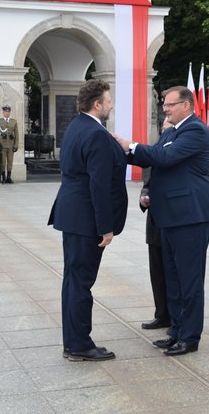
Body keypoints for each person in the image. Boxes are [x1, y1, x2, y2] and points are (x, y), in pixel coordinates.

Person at [113, 86, 209, 356]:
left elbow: (166, 157)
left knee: (189, 279)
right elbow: (155, 161)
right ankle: (176, 330)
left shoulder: (195, 130)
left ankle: (190, 337)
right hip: (171, 216)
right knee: (172, 277)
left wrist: (131, 145)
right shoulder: (171, 131)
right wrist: (122, 151)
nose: (165, 109)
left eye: (170, 105)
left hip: (190, 216)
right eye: (164, 104)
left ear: (186, 105)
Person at [48, 79, 128, 362]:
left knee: (73, 280)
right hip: (85, 220)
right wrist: (105, 227)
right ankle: (79, 344)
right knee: (80, 282)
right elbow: (99, 185)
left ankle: (74, 341)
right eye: (108, 101)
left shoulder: (76, 126)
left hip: (71, 214)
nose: (111, 105)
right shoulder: (96, 134)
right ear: (97, 105)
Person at [140, 118, 172, 331]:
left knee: (172, 273)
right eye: (164, 130)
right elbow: (148, 183)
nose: (167, 135)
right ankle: (161, 314)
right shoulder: (156, 152)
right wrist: (144, 195)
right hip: (155, 222)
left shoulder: (176, 154)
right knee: (157, 271)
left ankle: (174, 317)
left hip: (172, 221)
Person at [0, 105, 19, 184]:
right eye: (5, 112)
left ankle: (9, 177)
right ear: (3, 112)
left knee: (10, 162)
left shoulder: (14, 121)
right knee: (3, 162)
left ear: (10, 112)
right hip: (2, 145)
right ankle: (3, 177)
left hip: (11, 145)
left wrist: (16, 145)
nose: (7, 113)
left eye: (8, 112)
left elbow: (17, 135)